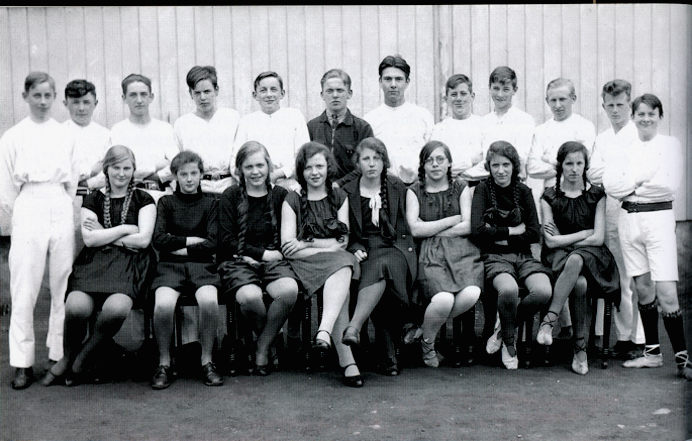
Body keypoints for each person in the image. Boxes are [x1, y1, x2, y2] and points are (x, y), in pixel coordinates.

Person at [40, 145, 156, 387]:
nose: (121, 174)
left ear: (133, 169)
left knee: (117, 308)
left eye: (127, 168)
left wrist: (105, 233)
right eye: (116, 168)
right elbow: (90, 239)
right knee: (76, 306)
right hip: (95, 263)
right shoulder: (93, 198)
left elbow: (143, 240)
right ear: (106, 169)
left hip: (129, 265)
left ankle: (83, 355)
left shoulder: (143, 199)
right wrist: (125, 229)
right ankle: (68, 356)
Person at [0, 72, 78, 389]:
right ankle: (22, 363)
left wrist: (63, 204)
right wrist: (19, 216)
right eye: (37, 95)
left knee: (62, 281)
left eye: (48, 95)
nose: (43, 102)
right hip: (28, 203)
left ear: (54, 97)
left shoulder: (65, 134)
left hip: (58, 200)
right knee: (24, 285)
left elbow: (72, 179)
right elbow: (6, 188)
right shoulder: (13, 136)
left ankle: (57, 356)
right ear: (26, 97)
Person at [603, 94, 688, 376]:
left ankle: (683, 359)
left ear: (659, 116)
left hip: (659, 218)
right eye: (640, 114)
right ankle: (652, 354)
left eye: (651, 114)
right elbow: (611, 186)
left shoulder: (670, 145)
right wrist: (639, 181)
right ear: (634, 116)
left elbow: (668, 185)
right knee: (642, 287)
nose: (646, 119)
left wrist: (631, 185)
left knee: (667, 292)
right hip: (629, 220)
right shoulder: (623, 148)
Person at [280, 142, 362, 387]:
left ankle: (326, 334)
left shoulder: (338, 197)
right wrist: (320, 247)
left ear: (328, 167)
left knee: (342, 267)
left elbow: (342, 242)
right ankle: (345, 359)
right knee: (343, 268)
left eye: (319, 166)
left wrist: (306, 243)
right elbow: (288, 247)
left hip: (331, 259)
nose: (314, 172)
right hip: (303, 264)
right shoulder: (292, 199)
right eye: (308, 168)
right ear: (301, 171)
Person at [537, 142, 620, 375]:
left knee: (576, 260)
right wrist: (583, 233)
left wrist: (567, 240)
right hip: (559, 256)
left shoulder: (596, 195)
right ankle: (580, 349)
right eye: (569, 163)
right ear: (560, 166)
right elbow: (550, 242)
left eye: (579, 163)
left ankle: (548, 322)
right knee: (579, 283)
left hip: (593, 256)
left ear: (586, 165)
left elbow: (598, 238)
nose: (574, 169)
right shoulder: (549, 196)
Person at [217, 141, 299, 376]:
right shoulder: (231, 195)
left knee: (289, 291)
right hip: (238, 261)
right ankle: (271, 342)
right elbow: (226, 239)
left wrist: (271, 256)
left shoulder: (281, 195)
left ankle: (261, 346)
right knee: (250, 297)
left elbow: (289, 234)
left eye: (260, 165)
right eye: (249, 167)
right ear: (240, 170)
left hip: (275, 260)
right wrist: (258, 254)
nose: (255, 172)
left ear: (269, 166)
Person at [470, 141, 552, 370]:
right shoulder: (482, 190)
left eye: (506, 165)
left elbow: (534, 232)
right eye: (495, 165)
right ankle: (509, 343)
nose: (501, 170)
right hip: (494, 257)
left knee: (543, 291)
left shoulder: (524, 191)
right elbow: (477, 231)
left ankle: (503, 329)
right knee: (508, 289)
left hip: (524, 256)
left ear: (514, 166)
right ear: (489, 166)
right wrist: (512, 231)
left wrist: (498, 235)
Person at [340, 137, 416, 375]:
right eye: (366, 159)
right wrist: (353, 246)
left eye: (376, 158)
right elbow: (345, 230)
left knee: (383, 266)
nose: (372, 163)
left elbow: (405, 227)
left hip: (395, 249)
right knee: (380, 276)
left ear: (384, 162)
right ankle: (388, 355)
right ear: (358, 163)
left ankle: (354, 327)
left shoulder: (397, 186)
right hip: (365, 250)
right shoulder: (347, 191)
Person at [406, 140, 483, 368]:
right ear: (423, 165)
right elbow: (415, 229)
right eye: (429, 160)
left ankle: (423, 329)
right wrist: (452, 220)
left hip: (462, 251)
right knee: (443, 300)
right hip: (431, 253)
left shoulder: (460, 187)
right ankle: (428, 345)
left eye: (440, 159)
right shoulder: (414, 191)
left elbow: (468, 226)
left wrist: (431, 227)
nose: (435, 164)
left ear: (449, 163)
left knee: (471, 293)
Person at [150, 151, 223, 389]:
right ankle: (164, 362)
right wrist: (193, 241)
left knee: (209, 302)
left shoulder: (211, 204)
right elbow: (159, 240)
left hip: (203, 267)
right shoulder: (166, 203)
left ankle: (207, 360)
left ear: (201, 174)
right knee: (163, 305)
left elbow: (212, 243)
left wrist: (177, 245)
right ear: (175, 176)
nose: (189, 179)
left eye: (194, 173)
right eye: (183, 174)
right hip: (169, 267)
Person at [587, 80, 645, 360]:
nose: (615, 110)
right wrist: (619, 172)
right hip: (608, 211)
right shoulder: (602, 139)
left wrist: (614, 174)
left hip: (635, 211)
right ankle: (622, 337)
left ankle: (639, 338)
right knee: (616, 275)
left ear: (629, 105)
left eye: (620, 104)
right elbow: (592, 174)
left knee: (636, 275)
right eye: (610, 105)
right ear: (603, 106)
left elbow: (636, 176)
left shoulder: (639, 135)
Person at [527, 78, 596, 214]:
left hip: (579, 194)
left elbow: (584, 164)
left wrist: (549, 160)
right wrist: (565, 165)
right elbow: (532, 168)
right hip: (550, 196)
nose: (557, 105)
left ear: (573, 98)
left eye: (562, 99)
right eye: (553, 100)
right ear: (547, 101)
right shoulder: (541, 130)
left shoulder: (584, 126)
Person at [364, 55, 434, 185]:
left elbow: (432, 154)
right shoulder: (370, 120)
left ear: (407, 82)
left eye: (399, 79)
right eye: (388, 79)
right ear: (380, 82)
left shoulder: (423, 116)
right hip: (384, 188)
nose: (393, 85)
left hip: (419, 187)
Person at [234, 71, 310, 192]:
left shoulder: (295, 116)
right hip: (256, 185)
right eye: (263, 90)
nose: (269, 95)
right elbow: (237, 159)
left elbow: (304, 154)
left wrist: (280, 173)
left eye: (273, 89)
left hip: (290, 184)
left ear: (282, 93)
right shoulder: (246, 122)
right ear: (255, 95)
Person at [109, 73, 180, 200]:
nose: (139, 100)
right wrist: (156, 166)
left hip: (162, 195)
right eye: (133, 95)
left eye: (143, 94)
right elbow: (120, 171)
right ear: (124, 98)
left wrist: (157, 177)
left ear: (151, 97)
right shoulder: (118, 130)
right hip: (130, 197)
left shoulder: (165, 128)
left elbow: (177, 165)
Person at [174, 66, 240, 195]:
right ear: (191, 94)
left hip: (229, 188)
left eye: (207, 91)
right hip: (198, 190)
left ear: (216, 90)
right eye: (197, 93)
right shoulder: (182, 124)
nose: (202, 97)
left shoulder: (232, 117)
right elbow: (178, 161)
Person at [463, 66, 535, 182]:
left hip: (512, 184)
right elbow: (477, 157)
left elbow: (519, 160)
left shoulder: (524, 120)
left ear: (514, 90)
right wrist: (465, 174)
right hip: (486, 184)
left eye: (505, 89)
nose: (500, 94)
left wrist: (468, 174)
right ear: (489, 88)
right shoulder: (484, 122)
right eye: (496, 88)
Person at [307, 69, 374, 185]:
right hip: (318, 189)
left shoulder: (362, 128)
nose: (335, 95)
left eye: (340, 90)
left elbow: (367, 164)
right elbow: (304, 162)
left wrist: (340, 184)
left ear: (349, 93)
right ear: (322, 95)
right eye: (329, 91)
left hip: (352, 190)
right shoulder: (311, 127)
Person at [431, 74, 484, 181]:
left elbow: (487, 163)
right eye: (454, 94)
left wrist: (456, 167)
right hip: (449, 186)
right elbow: (438, 166)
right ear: (446, 99)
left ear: (472, 96)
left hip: (479, 185)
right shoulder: (439, 130)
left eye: (463, 94)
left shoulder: (483, 125)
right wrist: (470, 161)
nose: (459, 99)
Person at [63, 79, 110, 193]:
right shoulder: (58, 134)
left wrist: (87, 183)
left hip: (99, 197)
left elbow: (111, 171)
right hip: (66, 197)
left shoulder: (106, 135)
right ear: (66, 104)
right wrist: (91, 172)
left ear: (95, 104)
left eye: (86, 102)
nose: (81, 108)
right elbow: (59, 175)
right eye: (75, 102)